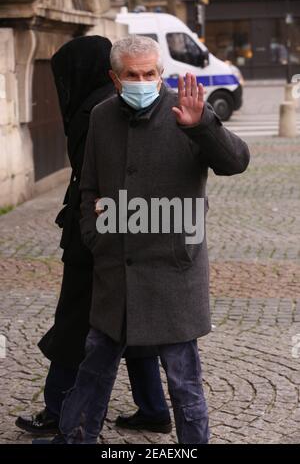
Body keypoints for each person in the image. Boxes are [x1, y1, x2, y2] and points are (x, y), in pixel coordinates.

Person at [45, 35, 250, 444]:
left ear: (161, 73)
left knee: (184, 382)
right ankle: (76, 438)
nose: (143, 81)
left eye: (150, 73)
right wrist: (95, 234)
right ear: (115, 78)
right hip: (115, 272)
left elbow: (236, 161)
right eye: (132, 75)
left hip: (174, 273)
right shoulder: (101, 116)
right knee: (93, 373)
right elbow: (88, 188)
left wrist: (203, 126)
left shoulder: (186, 111)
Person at [16, 35, 171, 437]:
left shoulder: (95, 110)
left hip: (98, 239)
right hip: (132, 231)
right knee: (132, 320)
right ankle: (153, 407)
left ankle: (57, 409)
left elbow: (97, 182)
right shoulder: (113, 103)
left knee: (74, 322)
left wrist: (92, 233)